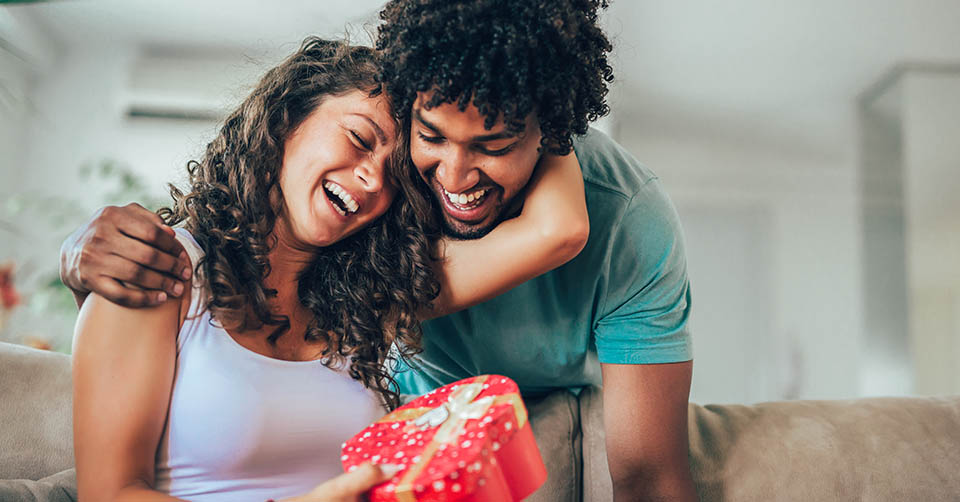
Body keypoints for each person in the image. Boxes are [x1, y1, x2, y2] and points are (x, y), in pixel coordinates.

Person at [63, 1, 696, 501]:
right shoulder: (165, 270)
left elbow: (557, 230)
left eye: (494, 144)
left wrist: (546, 100)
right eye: (367, 140)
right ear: (285, 119)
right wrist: (74, 252)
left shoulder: (367, 300)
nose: (381, 179)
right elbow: (111, 491)